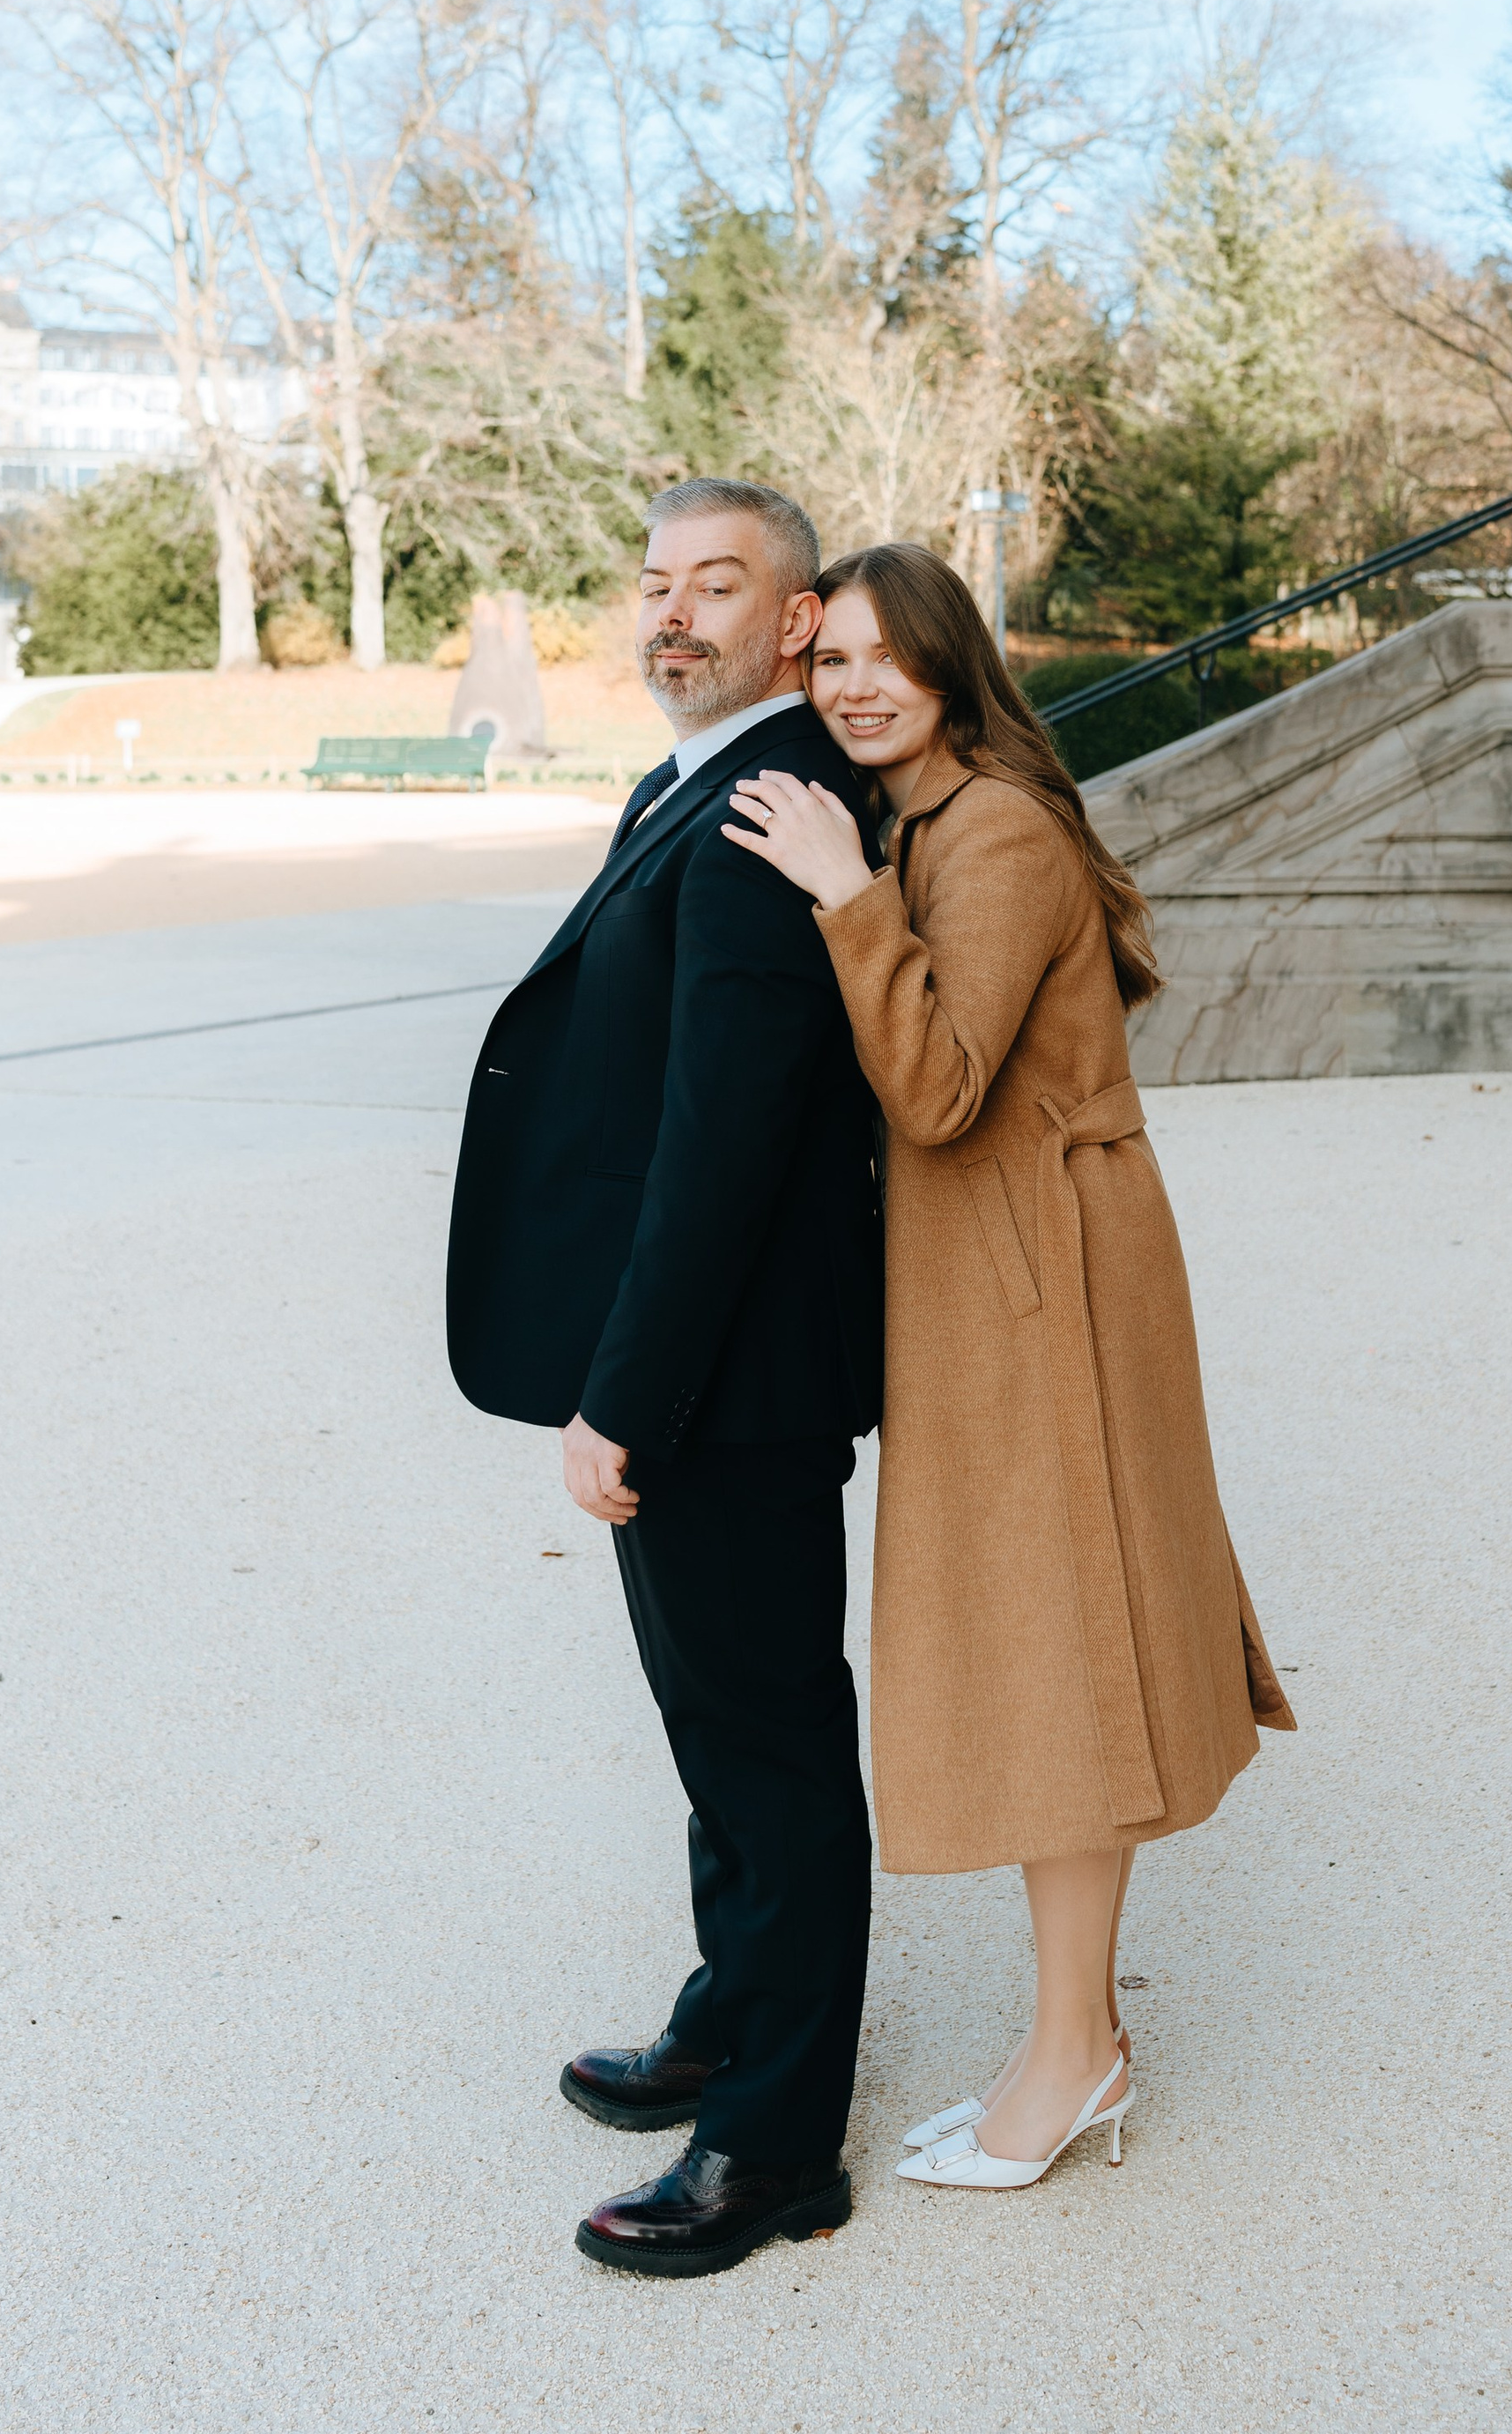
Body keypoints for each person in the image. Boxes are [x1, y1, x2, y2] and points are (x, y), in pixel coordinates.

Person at [724, 538, 1295, 2193]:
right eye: (829, 657)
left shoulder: (992, 833)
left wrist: (845, 895)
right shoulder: (939, 820)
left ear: (953, 665)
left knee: (1064, 1645)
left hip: (1047, 1277)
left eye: (890, 658)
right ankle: (1074, 2036)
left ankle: (1075, 2054)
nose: (853, 685)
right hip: (1007, 1274)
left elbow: (945, 1087)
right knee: (1052, 1640)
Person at [446, 479, 883, 2279]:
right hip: (699, 1360)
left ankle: (773, 2144)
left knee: (770, 1746)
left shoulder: (773, 805)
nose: (673, 614)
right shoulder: (690, 776)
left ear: (796, 621)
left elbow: (726, 1144)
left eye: (719, 584)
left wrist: (624, 1394)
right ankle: (728, 2006)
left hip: (733, 1379)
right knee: (714, 1721)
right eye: (654, 584)